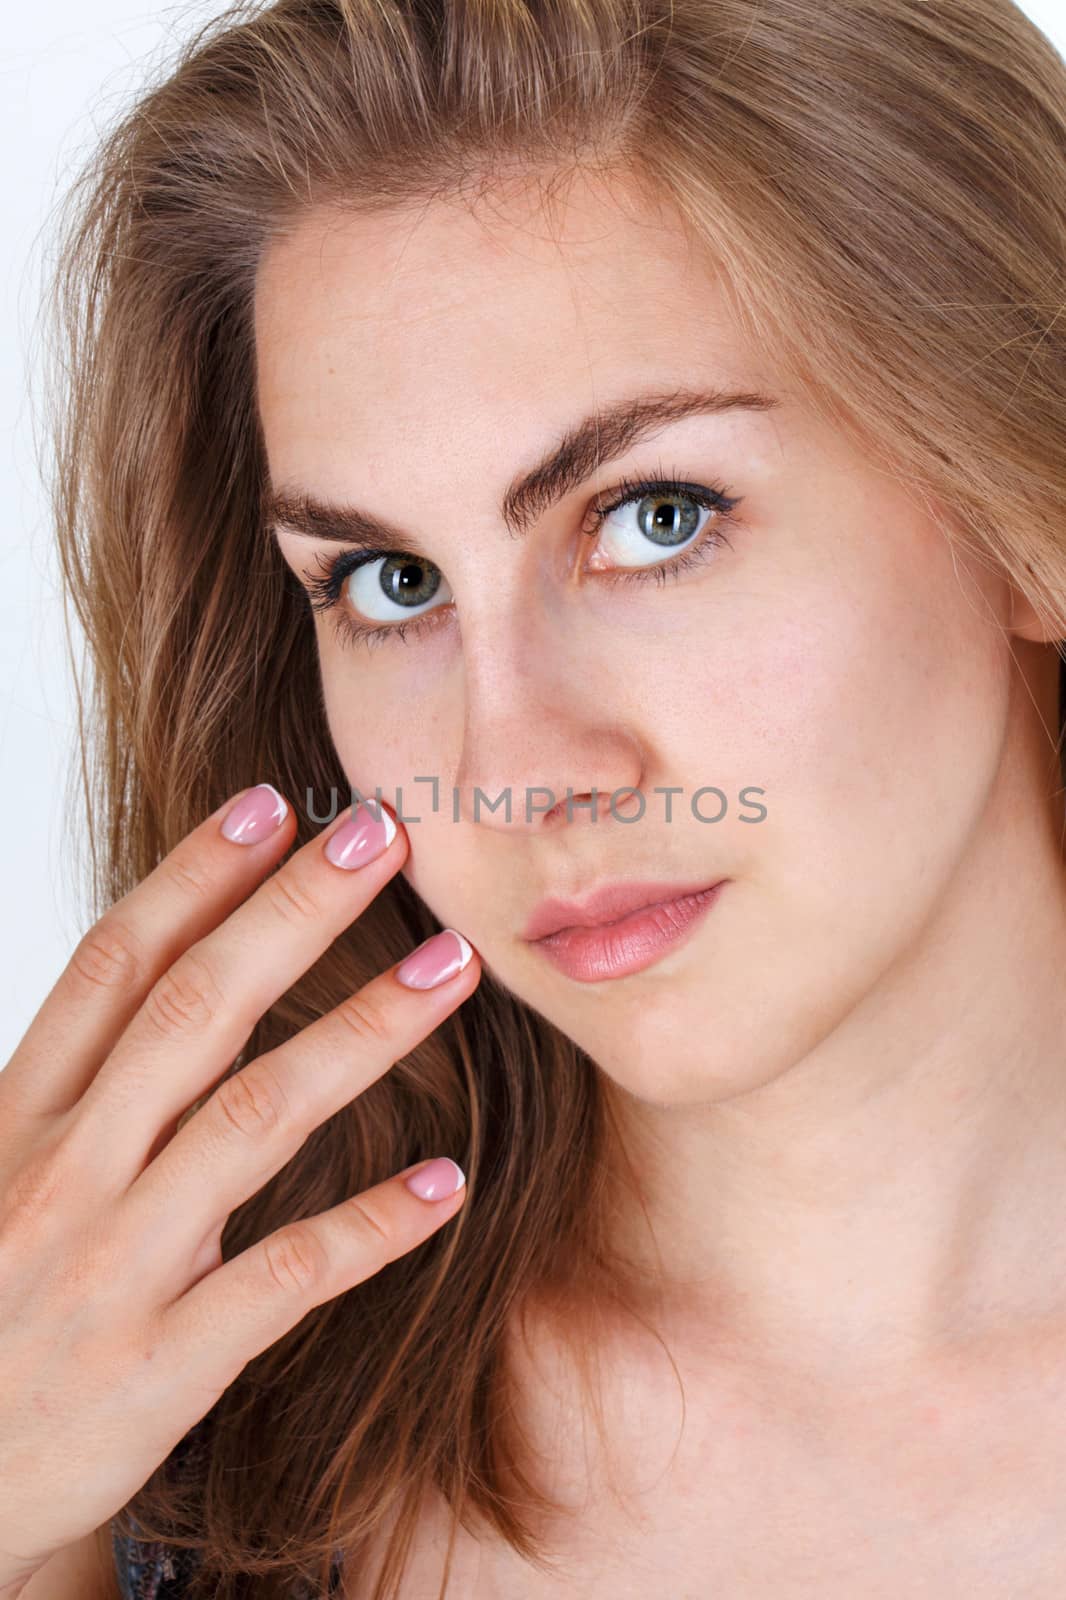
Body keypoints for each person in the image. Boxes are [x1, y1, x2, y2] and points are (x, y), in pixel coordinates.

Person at [4, 0, 1066, 1594]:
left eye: (652, 517)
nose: (508, 775)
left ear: (1024, 501)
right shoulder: (157, 1442)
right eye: (389, 578)